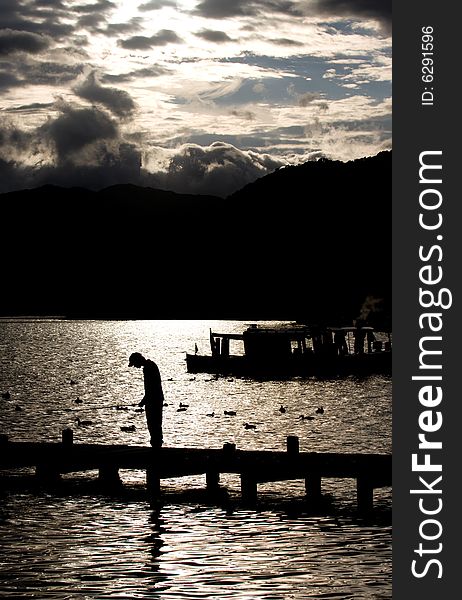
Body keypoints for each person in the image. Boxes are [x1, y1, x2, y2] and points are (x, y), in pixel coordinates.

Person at [129, 352, 165, 448]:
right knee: (156, 423)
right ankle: (157, 444)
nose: (135, 367)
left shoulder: (148, 368)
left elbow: (151, 388)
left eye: (134, 364)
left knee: (153, 424)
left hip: (153, 400)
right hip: (156, 399)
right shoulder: (151, 365)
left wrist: (143, 401)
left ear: (138, 361)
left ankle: (156, 445)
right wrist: (145, 400)